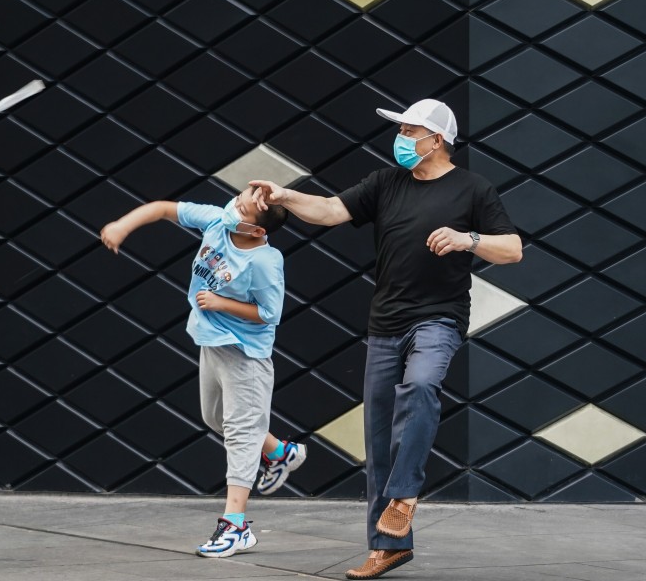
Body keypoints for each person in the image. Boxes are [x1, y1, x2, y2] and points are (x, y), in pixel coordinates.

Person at [251, 99, 522, 579]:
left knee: (419, 388)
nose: (399, 137)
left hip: (438, 318)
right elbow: (332, 210)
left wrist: (469, 241)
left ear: (435, 139)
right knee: (378, 438)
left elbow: (513, 249)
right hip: (385, 323)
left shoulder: (473, 189)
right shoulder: (385, 182)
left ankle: (405, 494)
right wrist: (284, 195)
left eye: (408, 129)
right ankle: (388, 545)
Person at [100, 185, 307, 558]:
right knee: (215, 419)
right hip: (211, 344)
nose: (233, 207)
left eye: (242, 208)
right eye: (238, 198)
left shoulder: (264, 261)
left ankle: (235, 525)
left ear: (257, 230)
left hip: (246, 355)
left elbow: (269, 314)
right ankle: (279, 452)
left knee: (242, 434)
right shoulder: (217, 220)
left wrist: (221, 303)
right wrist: (121, 225)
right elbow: (163, 206)